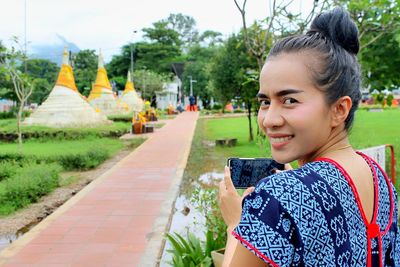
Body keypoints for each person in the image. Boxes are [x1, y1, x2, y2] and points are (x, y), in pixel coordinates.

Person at [218, 7, 399, 267]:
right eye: (266, 102)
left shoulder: (278, 197)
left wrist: (237, 225)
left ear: (339, 109)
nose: (269, 119)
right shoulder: (380, 179)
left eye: (289, 100)